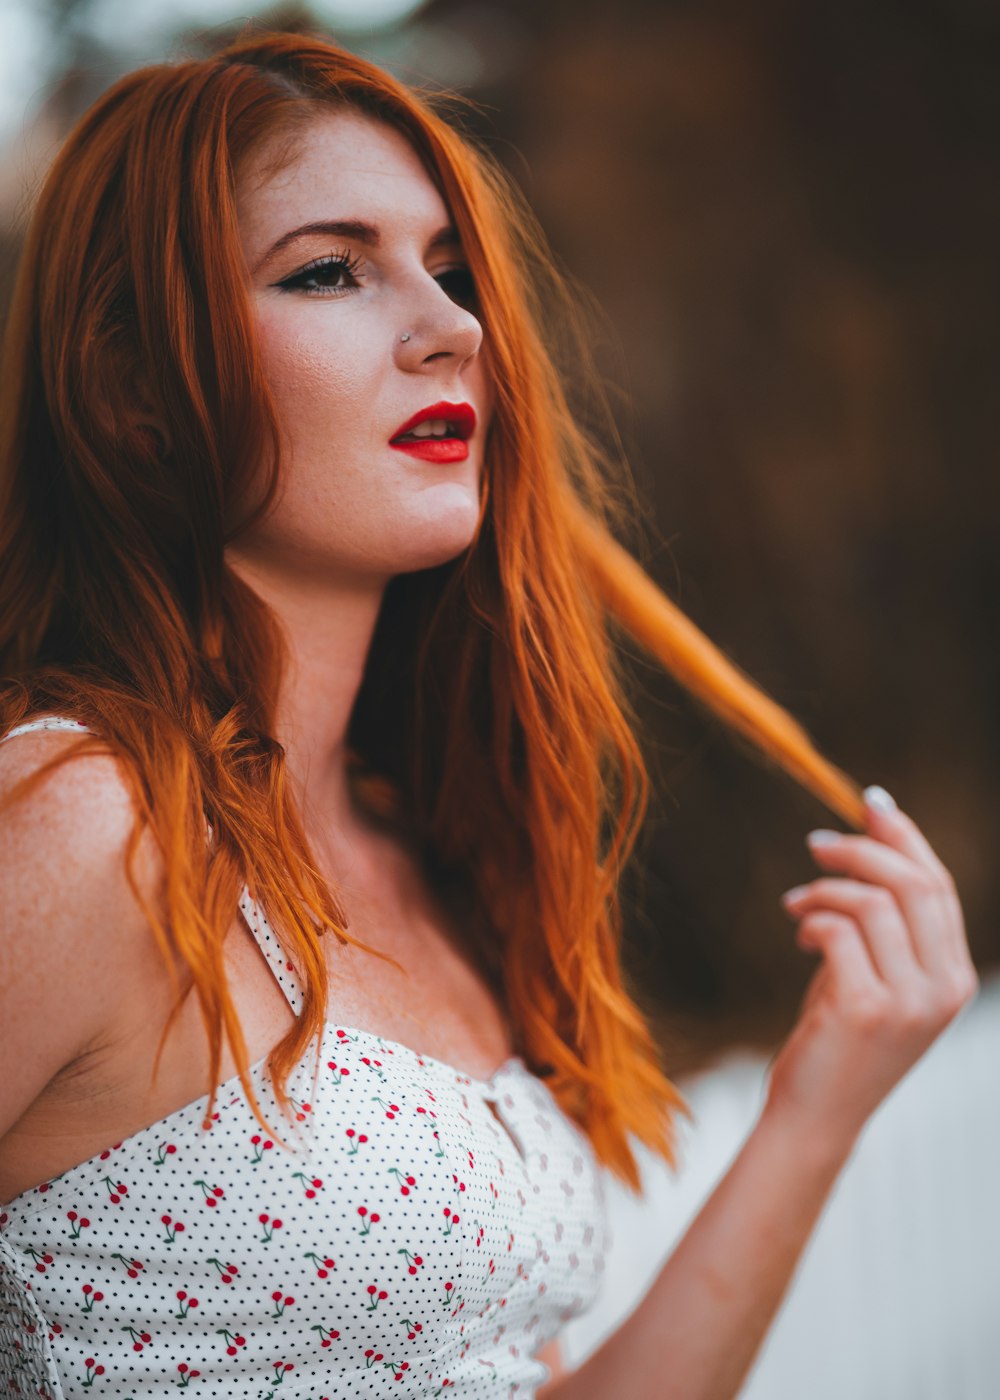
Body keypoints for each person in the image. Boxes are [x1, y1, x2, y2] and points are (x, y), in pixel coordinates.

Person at [0, 26, 977, 1400]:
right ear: (129, 388)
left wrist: (823, 1104)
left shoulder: (426, 861)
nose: (451, 327)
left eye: (451, 271)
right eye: (330, 270)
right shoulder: (82, 823)